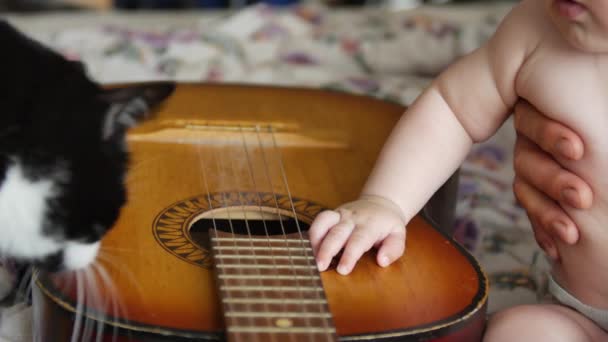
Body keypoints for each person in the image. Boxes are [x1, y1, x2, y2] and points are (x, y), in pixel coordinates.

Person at [309, 0, 608, 340]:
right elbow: (452, 108)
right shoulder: (536, 29)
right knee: (520, 331)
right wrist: (385, 201)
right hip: (580, 313)